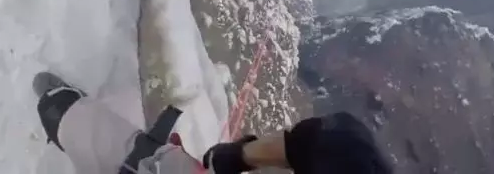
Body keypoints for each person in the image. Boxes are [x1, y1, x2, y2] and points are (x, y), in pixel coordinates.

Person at [35, 72, 392, 174]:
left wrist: (234, 157)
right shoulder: (349, 154)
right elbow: (322, 146)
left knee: (159, 166)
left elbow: (322, 145)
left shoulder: (351, 152)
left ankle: (64, 114)